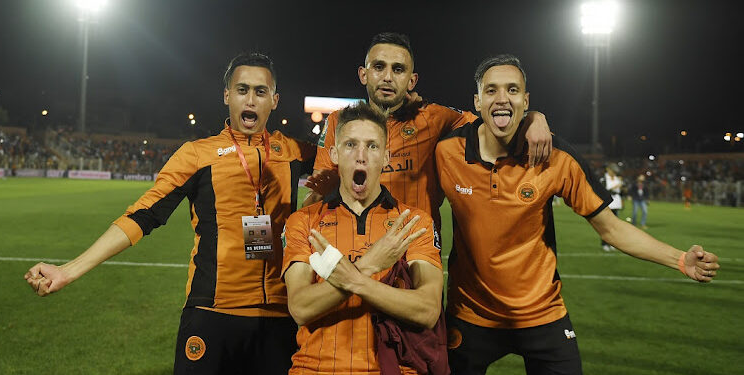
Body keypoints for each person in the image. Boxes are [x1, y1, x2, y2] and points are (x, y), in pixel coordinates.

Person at [24, 52, 315, 374]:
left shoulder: (294, 151)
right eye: (242, 89)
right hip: (212, 312)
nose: (250, 99)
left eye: (260, 92)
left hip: (278, 317)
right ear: (226, 96)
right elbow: (143, 215)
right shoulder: (196, 155)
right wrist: (69, 270)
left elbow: (351, 159)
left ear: (274, 100)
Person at [435, 54, 721, 374]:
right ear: (476, 101)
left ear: (526, 100)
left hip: (542, 315)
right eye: (491, 90)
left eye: (513, 90)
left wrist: (680, 260)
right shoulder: (447, 151)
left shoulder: (556, 157)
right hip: (471, 316)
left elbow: (611, 229)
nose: (502, 98)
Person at [305, 32, 553, 232]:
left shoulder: (437, 119)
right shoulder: (339, 122)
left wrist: (533, 118)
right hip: (355, 254)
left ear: (412, 81)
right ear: (363, 74)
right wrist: (329, 190)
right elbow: (314, 200)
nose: (388, 77)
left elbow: (494, 119)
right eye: (379, 67)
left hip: (417, 262)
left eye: (398, 69)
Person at [282, 102, 446, 374]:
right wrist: (370, 264)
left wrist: (353, 278)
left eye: (372, 146)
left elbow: (428, 310)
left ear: (385, 157)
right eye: (350, 145)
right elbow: (300, 307)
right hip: (316, 369)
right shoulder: (304, 221)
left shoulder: (414, 222)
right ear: (334, 154)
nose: (361, 156)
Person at [601, 162, 623, 251]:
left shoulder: (617, 179)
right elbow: (603, 190)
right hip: (608, 204)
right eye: (613, 171)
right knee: (606, 226)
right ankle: (604, 244)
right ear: (608, 170)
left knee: (614, 226)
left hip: (616, 203)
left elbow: (620, 191)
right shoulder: (604, 179)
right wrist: (615, 186)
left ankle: (613, 244)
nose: (614, 173)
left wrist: (621, 187)